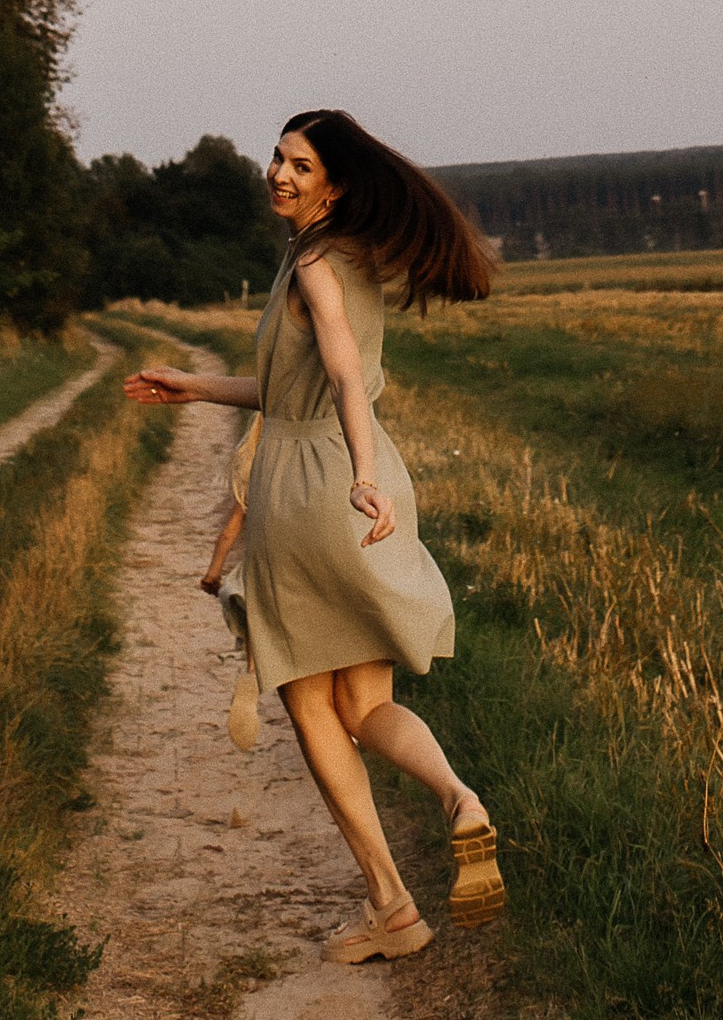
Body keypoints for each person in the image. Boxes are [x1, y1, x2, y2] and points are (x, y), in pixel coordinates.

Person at [125, 107, 505, 964]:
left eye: (300, 165)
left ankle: (391, 906)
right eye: (278, 158)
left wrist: (359, 476)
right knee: (365, 705)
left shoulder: (311, 263)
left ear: (333, 184)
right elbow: (296, 386)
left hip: (309, 489)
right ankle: (459, 798)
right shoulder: (349, 254)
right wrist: (196, 386)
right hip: (359, 479)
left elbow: (339, 370)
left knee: (309, 703)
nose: (279, 174)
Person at [200, 414, 262, 751]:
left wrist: (213, 574)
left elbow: (228, 533)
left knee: (254, 612)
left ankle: (250, 676)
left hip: (263, 571)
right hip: (308, 567)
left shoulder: (256, 475)